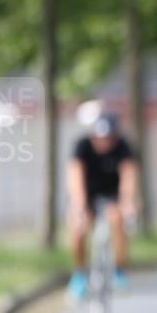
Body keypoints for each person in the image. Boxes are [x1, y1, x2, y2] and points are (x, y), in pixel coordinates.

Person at [66, 112, 137, 301]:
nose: (104, 142)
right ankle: (80, 274)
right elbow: (75, 177)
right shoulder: (82, 146)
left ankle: (119, 270)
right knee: (77, 227)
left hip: (112, 195)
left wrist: (127, 202)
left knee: (118, 219)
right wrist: (79, 206)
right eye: (100, 137)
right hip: (88, 194)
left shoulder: (123, 146)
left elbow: (128, 176)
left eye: (108, 138)